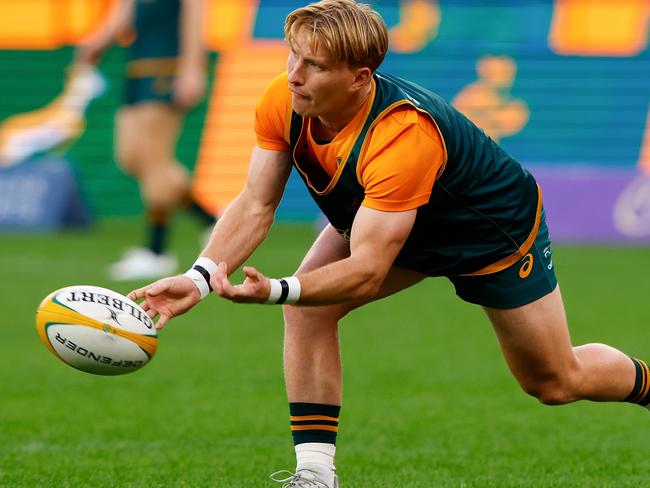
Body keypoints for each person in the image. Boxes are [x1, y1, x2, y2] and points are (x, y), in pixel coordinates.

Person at [129, 1, 650, 486]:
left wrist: (275, 290)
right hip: (383, 216)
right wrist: (199, 278)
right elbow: (255, 203)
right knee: (309, 313)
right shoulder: (284, 100)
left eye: (314, 64)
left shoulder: (402, 135)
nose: (294, 74)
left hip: (489, 234)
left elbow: (367, 270)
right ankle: (315, 474)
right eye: (294, 55)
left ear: (359, 78)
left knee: (554, 381)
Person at [77, 0, 216, 281]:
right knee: (130, 157)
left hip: (166, 67)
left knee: (155, 160)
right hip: (137, 69)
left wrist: (193, 67)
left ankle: (157, 252)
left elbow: (195, 17)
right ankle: (212, 220)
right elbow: (123, 13)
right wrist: (98, 42)